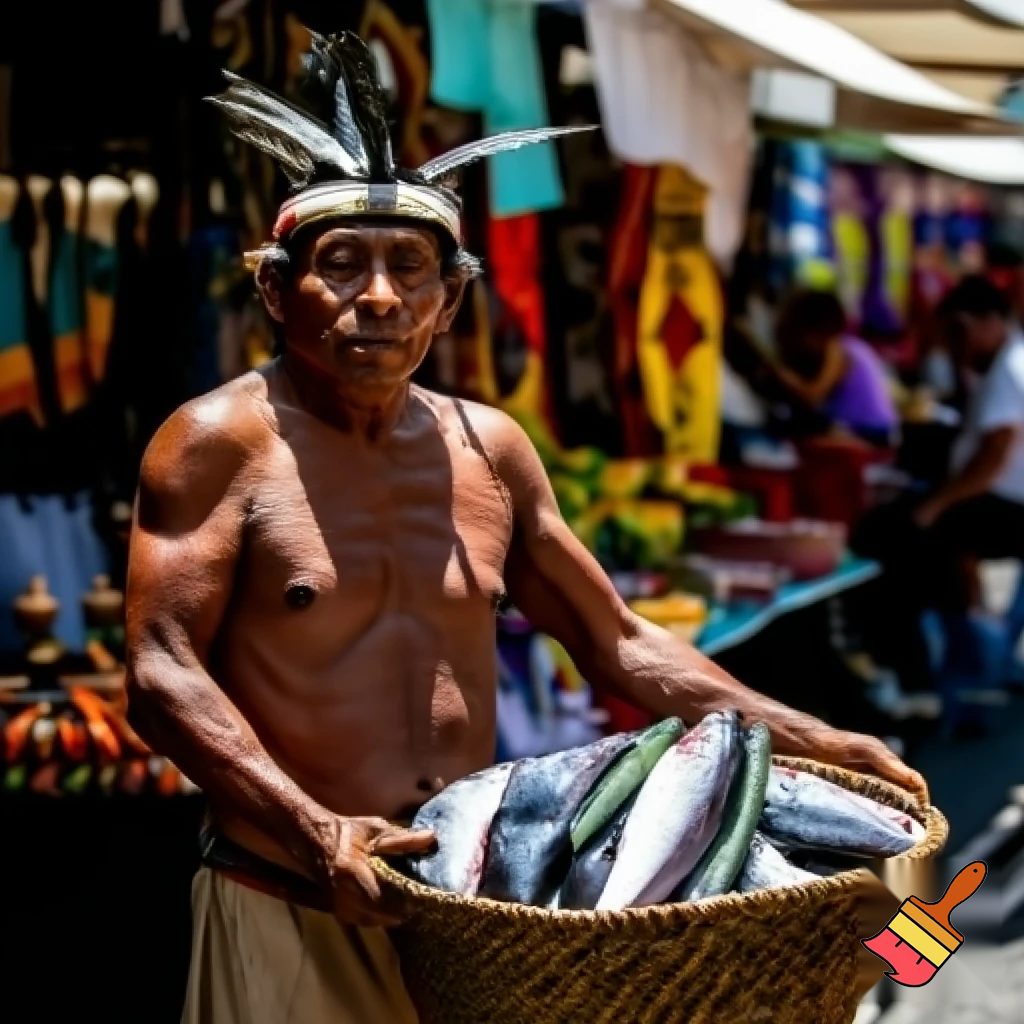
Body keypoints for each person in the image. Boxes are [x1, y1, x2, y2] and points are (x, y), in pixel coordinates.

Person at [125, 33, 922, 1024]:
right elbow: (162, 670)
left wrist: (813, 735)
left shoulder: (488, 449)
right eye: (339, 264)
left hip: (476, 914)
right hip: (288, 893)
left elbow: (617, 639)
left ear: (450, 297)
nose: (378, 297)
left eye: (409, 268)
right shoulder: (213, 442)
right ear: (276, 288)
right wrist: (317, 828)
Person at [855, 275, 1024, 697]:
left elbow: (994, 455)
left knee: (899, 537)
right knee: (913, 535)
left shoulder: (1007, 368)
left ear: (986, 323)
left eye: (959, 332)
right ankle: (940, 662)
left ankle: (913, 674)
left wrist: (935, 505)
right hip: (997, 499)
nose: (956, 344)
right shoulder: (1004, 362)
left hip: (1006, 505)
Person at [771, 288, 899, 447]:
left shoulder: (838, 349)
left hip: (869, 433)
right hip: (878, 430)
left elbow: (813, 396)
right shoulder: (855, 345)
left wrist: (782, 375)